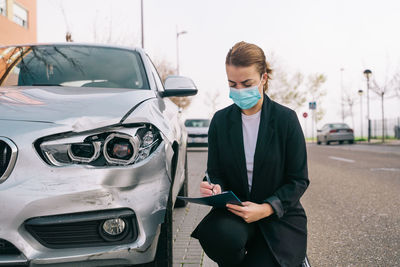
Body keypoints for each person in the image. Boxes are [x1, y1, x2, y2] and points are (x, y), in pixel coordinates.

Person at [190, 41, 310, 267]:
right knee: (216, 236)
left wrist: (266, 208)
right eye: (232, 84)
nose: (239, 90)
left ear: (263, 78)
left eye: (247, 83)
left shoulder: (286, 120)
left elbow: (298, 180)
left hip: (278, 216)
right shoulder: (220, 121)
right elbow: (215, 172)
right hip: (236, 212)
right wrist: (214, 187)